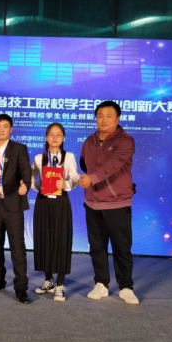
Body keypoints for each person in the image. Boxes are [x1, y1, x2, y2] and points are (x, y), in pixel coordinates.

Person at [78, 100, 139, 305]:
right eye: (100, 116)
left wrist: (93, 178)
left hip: (117, 202)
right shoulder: (89, 141)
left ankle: (126, 287)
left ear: (118, 118)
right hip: (92, 203)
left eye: (109, 116)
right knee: (97, 246)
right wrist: (90, 180)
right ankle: (101, 284)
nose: (103, 120)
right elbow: (84, 163)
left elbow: (114, 164)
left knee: (121, 247)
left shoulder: (125, 141)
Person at [0, 114, 32, 304]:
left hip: (13, 203)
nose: (2, 129)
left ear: (11, 129)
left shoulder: (19, 148)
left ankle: (21, 288)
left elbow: (26, 172)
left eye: (5, 126)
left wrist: (25, 185)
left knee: (17, 248)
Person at [31, 123, 79, 302]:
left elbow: (75, 177)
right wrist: (38, 187)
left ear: (63, 138)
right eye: (51, 134)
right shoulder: (38, 158)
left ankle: (60, 284)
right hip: (43, 202)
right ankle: (48, 281)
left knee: (61, 239)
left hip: (60, 202)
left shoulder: (69, 156)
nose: (55, 137)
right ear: (46, 137)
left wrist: (65, 184)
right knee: (44, 238)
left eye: (59, 134)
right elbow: (30, 178)